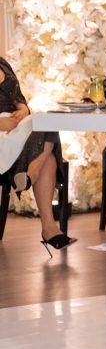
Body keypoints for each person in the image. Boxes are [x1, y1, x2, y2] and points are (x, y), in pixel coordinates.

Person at [0, 58, 73, 255]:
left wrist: (23, 110)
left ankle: (32, 172)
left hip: (15, 128)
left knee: (45, 120)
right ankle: (49, 229)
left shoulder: (2, 64)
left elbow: (19, 101)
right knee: (48, 159)